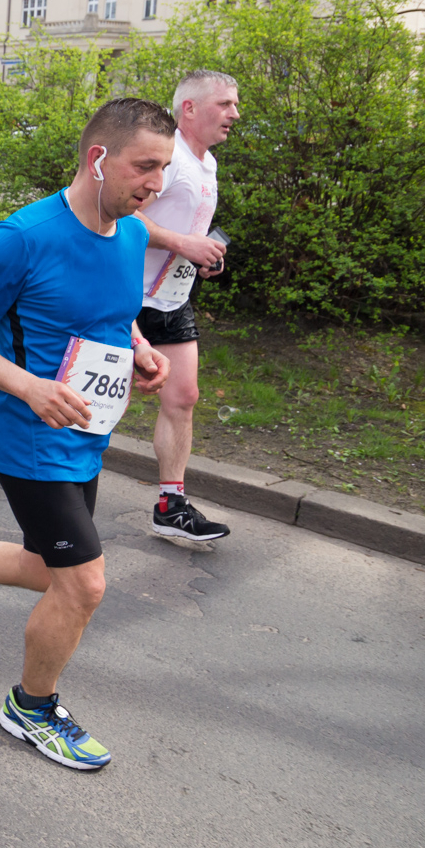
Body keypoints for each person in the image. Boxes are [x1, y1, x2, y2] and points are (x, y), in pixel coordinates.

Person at [0, 98, 175, 772]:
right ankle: (32, 706)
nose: (155, 184)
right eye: (145, 166)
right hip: (30, 430)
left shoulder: (130, 232)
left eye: (163, 168)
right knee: (84, 584)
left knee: (49, 566)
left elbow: (108, 314)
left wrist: (138, 347)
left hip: (85, 428)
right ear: (98, 157)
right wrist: (28, 386)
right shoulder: (23, 236)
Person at [136, 71, 239, 548]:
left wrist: (202, 258)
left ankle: (170, 507)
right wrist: (184, 243)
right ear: (190, 109)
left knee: (184, 397)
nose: (234, 114)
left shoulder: (207, 163)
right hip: (127, 300)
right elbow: (124, 213)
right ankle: (42, 474)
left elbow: (186, 230)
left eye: (235, 105)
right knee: (94, 400)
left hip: (173, 300)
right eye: (225, 104)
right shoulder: (168, 156)